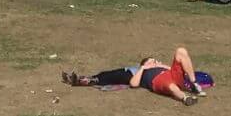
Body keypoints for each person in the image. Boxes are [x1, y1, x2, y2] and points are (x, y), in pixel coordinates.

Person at [60, 48, 201, 105]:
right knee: (112, 74)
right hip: (160, 80)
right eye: (152, 61)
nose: (155, 62)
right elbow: (134, 83)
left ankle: (194, 84)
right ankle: (185, 98)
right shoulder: (143, 71)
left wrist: (162, 65)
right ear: (144, 64)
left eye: (155, 60)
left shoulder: (162, 67)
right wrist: (144, 68)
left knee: (181, 51)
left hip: (171, 76)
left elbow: (175, 68)